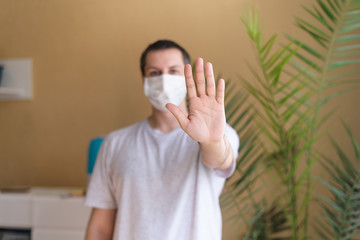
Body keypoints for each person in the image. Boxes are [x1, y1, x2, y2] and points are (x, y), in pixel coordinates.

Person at [84, 40, 239, 240]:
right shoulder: (115, 143)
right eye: (155, 72)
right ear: (143, 79)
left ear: (186, 77)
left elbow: (221, 160)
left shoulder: (219, 134)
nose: (164, 79)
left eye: (173, 71)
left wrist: (211, 141)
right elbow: (100, 227)